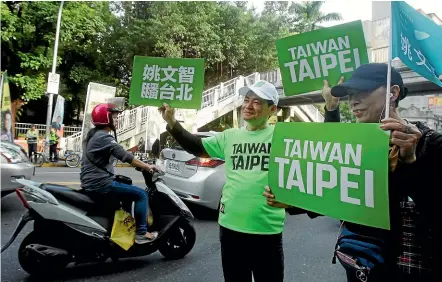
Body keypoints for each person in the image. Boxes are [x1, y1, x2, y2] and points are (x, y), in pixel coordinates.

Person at [264, 63, 442, 281]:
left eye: (364, 92)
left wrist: (411, 162)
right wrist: (291, 199)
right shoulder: (358, 146)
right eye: (350, 94)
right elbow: (337, 189)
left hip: (408, 269)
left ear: (393, 93)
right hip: (358, 264)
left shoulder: (431, 144)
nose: (353, 101)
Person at [160, 80, 286, 282]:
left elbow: (310, 169)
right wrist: (173, 124)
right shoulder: (230, 136)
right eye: (246, 100)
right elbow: (196, 146)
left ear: (272, 109)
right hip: (230, 228)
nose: (248, 105)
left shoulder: (283, 137)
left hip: (266, 230)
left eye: (256, 102)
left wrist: (331, 109)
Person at [80, 103, 159, 244]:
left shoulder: (94, 135)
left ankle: (124, 227)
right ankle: (141, 232)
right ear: (106, 119)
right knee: (141, 194)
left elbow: (123, 154)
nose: (117, 120)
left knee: (126, 186)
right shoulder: (104, 137)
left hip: (92, 182)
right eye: (115, 118)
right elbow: (126, 156)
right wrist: (147, 167)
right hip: (100, 184)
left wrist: (141, 163)